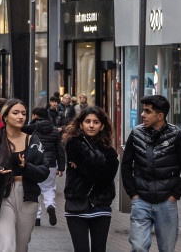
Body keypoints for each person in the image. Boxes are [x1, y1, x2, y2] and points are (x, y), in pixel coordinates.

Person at [121, 94, 181, 252]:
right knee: (138, 247)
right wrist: (133, 194)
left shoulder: (177, 136)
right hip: (141, 200)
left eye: (147, 111)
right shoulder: (136, 134)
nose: (142, 115)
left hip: (166, 203)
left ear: (160, 116)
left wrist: (174, 196)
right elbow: (125, 166)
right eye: (143, 110)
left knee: (167, 248)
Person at [0, 99, 50, 252]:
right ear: (5, 117)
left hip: (27, 195)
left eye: (24, 113)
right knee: (7, 244)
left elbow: (44, 172)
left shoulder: (33, 140)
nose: (21, 117)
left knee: (21, 246)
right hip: (2, 194)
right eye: (15, 113)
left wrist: (27, 168)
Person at [62, 106, 119, 252]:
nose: (91, 125)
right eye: (87, 121)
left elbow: (105, 175)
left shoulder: (110, 151)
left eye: (96, 122)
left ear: (102, 126)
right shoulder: (73, 143)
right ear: (81, 124)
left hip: (101, 204)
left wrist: (85, 163)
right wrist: (97, 163)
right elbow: (93, 171)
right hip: (77, 204)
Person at [22, 106, 65, 226]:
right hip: (51, 164)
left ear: (35, 115)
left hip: (36, 162)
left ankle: (37, 217)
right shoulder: (54, 130)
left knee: (35, 188)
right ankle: (50, 205)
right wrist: (61, 167)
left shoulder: (32, 128)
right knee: (49, 188)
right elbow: (59, 150)